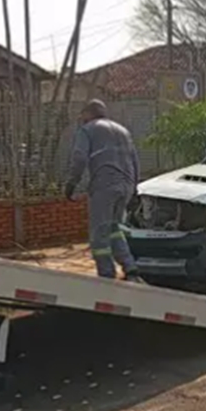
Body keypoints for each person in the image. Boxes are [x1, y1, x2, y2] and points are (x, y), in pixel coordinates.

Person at [64, 99, 143, 282]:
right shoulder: (122, 130)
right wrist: (134, 189)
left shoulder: (88, 129)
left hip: (105, 186)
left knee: (99, 233)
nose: (81, 119)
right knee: (114, 228)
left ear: (89, 113)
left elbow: (79, 158)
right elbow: (135, 161)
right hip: (127, 185)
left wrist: (71, 183)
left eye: (82, 114)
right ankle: (130, 267)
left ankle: (106, 275)